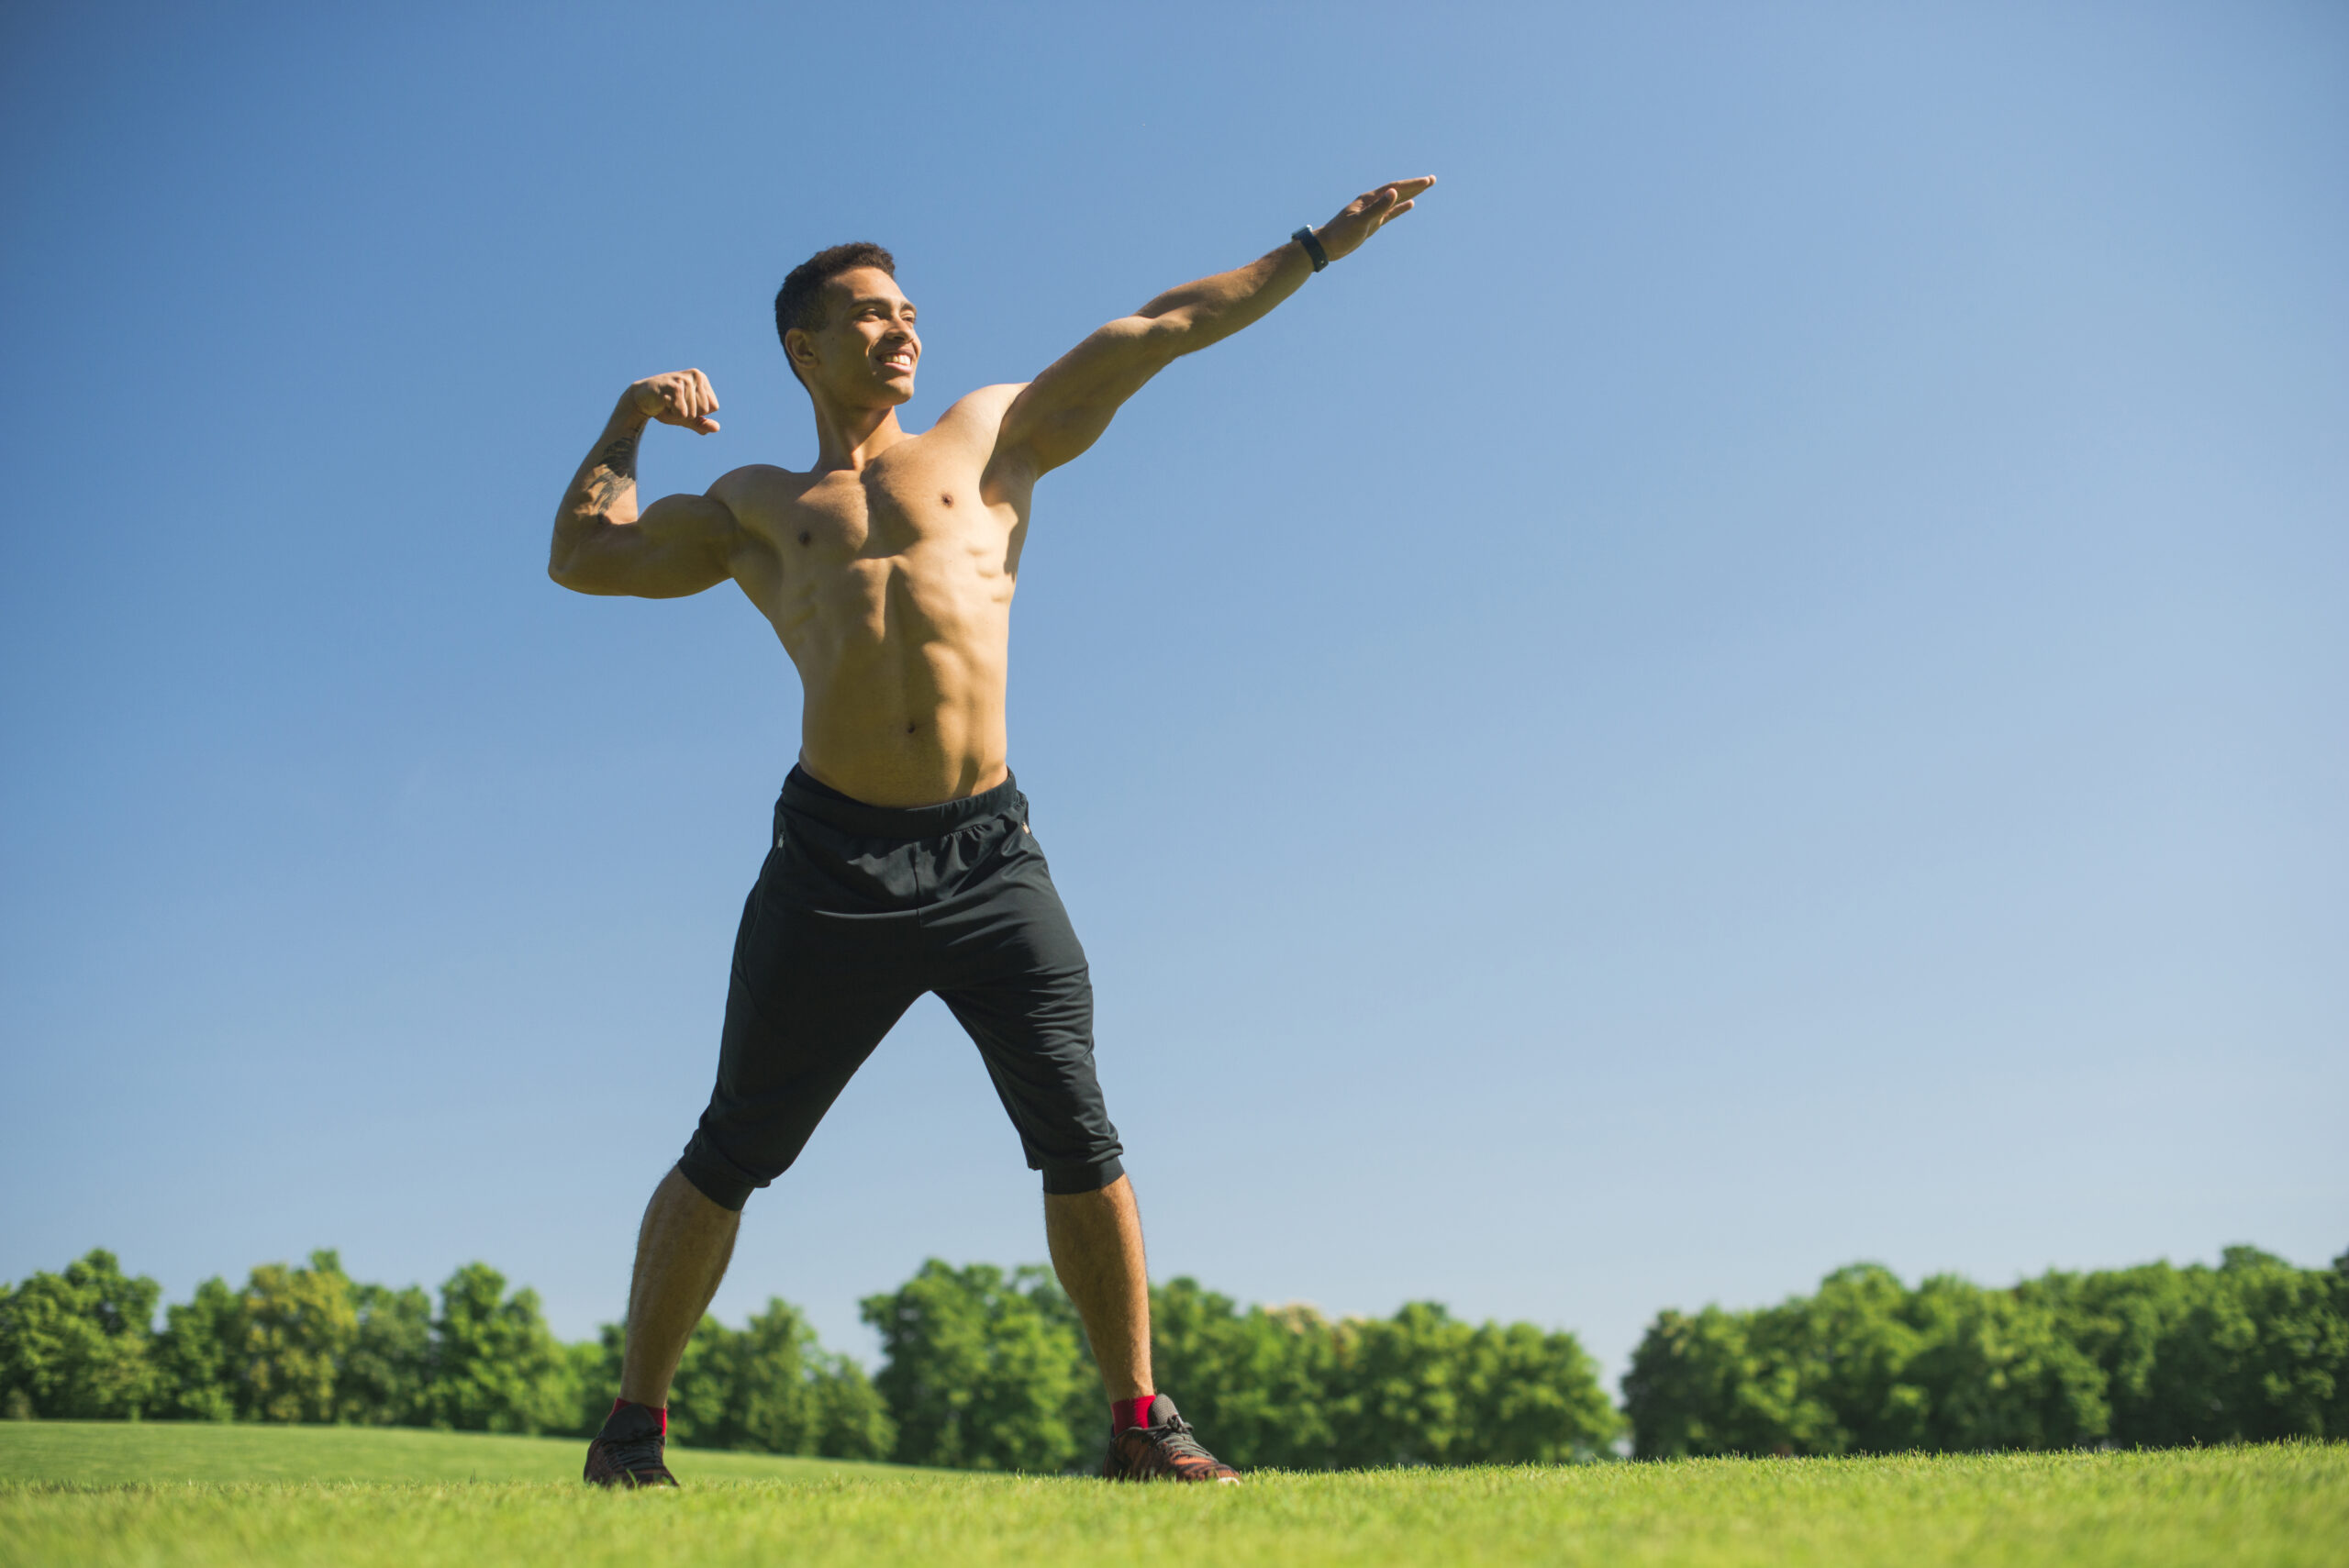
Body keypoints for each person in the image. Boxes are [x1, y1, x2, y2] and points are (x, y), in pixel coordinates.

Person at [551, 177, 1435, 1487]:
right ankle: (633, 1431)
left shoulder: (989, 437)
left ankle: (1141, 1424)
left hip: (988, 853)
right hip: (832, 859)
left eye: (907, 309)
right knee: (732, 1145)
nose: (902, 328)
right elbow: (587, 553)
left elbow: (1163, 330)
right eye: (868, 314)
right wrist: (628, 416)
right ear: (802, 345)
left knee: (1081, 1133)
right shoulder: (754, 505)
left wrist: (1313, 248)